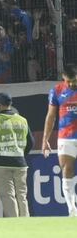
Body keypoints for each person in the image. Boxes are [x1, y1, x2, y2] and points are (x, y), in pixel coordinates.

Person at [0, 92, 33, 218]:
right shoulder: (22, 120)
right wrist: (20, 154)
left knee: (8, 195)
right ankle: (25, 221)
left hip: (2, 164)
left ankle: (14, 223)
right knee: (22, 194)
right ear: (10, 104)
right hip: (20, 164)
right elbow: (31, 142)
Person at [42, 63, 77, 216]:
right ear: (63, 77)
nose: (71, 84)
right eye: (69, 81)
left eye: (74, 80)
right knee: (66, 171)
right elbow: (51, 116)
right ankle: (72, 211)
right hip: (66, 137)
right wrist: (45, 139)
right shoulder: (56, 91)